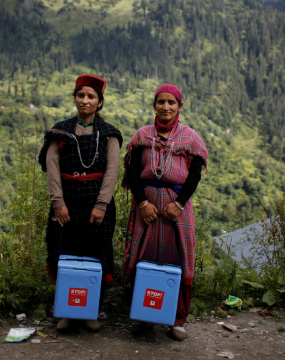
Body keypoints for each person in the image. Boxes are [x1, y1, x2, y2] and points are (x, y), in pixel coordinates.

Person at [38, 74, 123, 332]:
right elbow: (52, 168)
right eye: (80, 95)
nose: (85, 100)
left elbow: (112, 170)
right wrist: (58, 202)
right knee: (65, 253)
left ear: (100, 102)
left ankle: (90, 312)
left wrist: (101, 204)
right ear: (75, 98)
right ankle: (66, 311)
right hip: (67, 202)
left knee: (95, 255)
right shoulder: (59, 131)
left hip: (97, 202)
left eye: (91, 96)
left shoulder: (109, 134)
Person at [123, 84, 208, 341]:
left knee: (179, 258)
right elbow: (134, 173)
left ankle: (177, 318)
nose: (166, 107)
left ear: (180, 107)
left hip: (177, 206)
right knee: (145, 256)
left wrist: (179, 204)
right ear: (154, 105)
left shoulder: (190, 138)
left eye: (172, 102)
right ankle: (144, 315)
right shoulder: (142, 136)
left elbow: (194, 175)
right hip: (146, 205)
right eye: (161, 102)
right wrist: (142, 203)